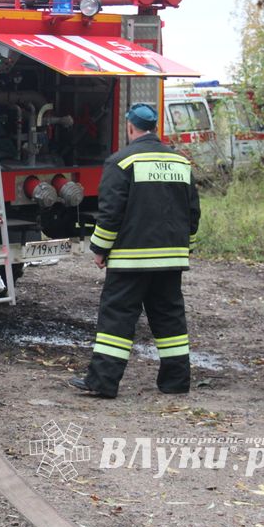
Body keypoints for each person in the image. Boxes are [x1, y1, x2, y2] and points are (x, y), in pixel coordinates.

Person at [69, 103, 200, 398]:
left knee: (117, 317)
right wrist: (183, 246)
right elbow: (193, 212)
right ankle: (176, 382)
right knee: (170, 318)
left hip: (131, 259)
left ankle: (102, 382)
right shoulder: (181, 163)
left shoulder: (122, 162)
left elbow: (110, 212)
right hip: (172, 258)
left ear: (130, 127)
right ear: (154, 127)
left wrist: (100, 249)